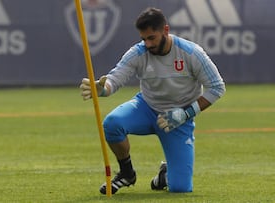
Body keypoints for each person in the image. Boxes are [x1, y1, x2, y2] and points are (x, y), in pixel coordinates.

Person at [79, 7, 225, 194]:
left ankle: (164, 175)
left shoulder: (191, 53)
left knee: (180, 188)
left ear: (165, 30)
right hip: (146, 108)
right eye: (143, 39)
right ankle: (126, 173)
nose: (147, 44)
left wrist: (186, 113)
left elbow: (217, 87)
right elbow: (115, 79)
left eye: (151, 38)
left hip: (178, 119)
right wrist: (102, 89)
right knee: (112, 123)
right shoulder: (138, 53)